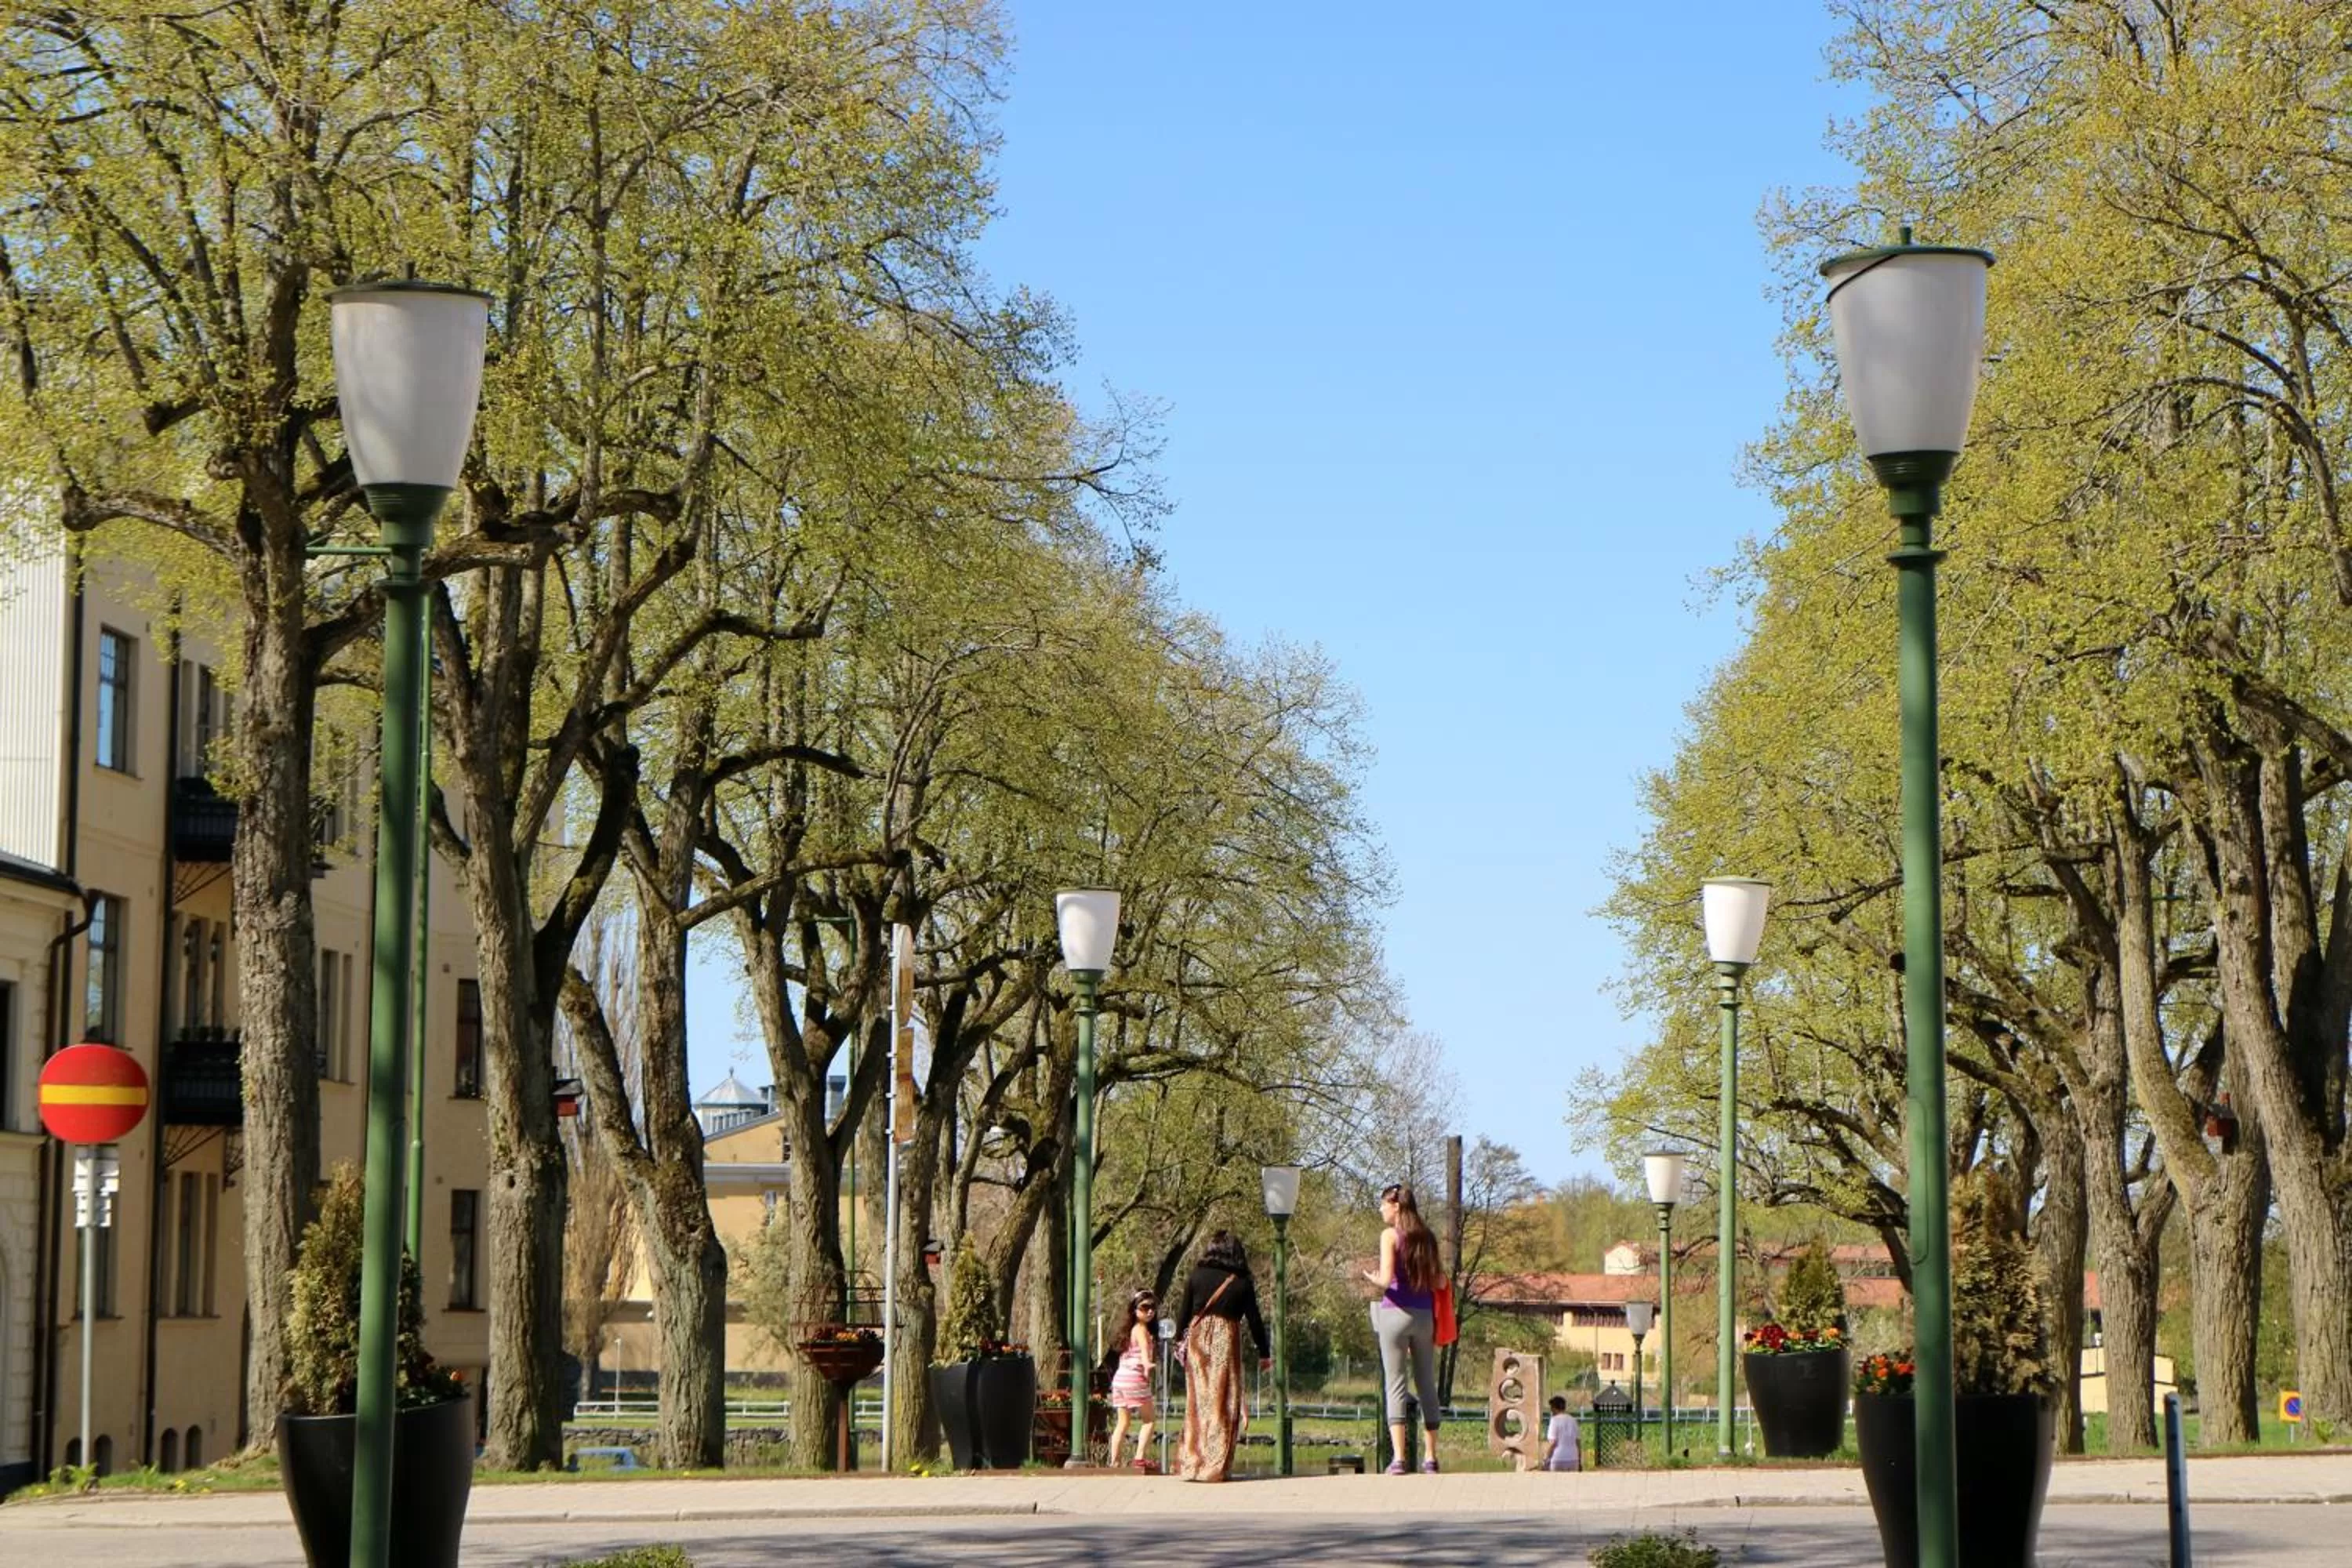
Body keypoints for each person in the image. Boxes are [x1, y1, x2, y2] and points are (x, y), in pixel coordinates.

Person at [1173, 1229, 1270, 1482]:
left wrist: (1177, 1342)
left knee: (1197, 1401)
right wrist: (1264, 1352)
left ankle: (1192, 1461)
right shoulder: (1241, 1282)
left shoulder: (1196, 1276)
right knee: (1223, 1400)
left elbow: (1183, 1314)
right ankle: (1215, 1465)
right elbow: (1255, 1320)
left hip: (1197, 1337)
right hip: (1225, 1339)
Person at [1363, 1181, 1444, 1473]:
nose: (1381, 1209)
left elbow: (1386, 1280)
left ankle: (1399, 1459)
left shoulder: (1389, 1236)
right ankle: (1431, 1457)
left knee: (1395, 1383)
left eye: (1384, 1204)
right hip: (1424, 1316)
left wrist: (1372, 1279)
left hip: (1394, 1314)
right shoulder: (1427, 1238)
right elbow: (1441, 1282)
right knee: (1426, 1384)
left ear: (1396, 1206)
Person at [1105, 1288, 1160, 1470]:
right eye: (1145, 1308)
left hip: (1120, 1380)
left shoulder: (1128, 1331)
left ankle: (1114, 1461)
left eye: (1153, 1307)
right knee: (1149, 1420)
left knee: (1123, 1422)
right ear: (1135, 1310)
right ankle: (1139, 1458)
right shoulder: (1142, 1330)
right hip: (1135, 1379)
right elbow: (1145, 1352)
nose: (1150, 1311)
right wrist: (1147, 1365)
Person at [1541, 1394, 1581, 1472]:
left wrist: (1546, 1458)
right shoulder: (1573, 1420)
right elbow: (1578, 1442)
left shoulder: (1554, 1420)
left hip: (1558, 1458)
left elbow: (1553, 1443)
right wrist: (1579, 1460)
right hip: (1573, 1458)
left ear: (1554, 1408)